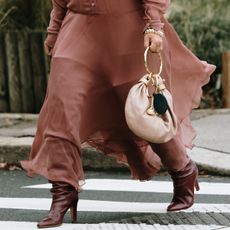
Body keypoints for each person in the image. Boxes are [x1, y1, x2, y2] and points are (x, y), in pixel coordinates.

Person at [21, 0, 216, 228]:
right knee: (61, 110)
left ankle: (182, 169)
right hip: (76, 31)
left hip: (129, 30)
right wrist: (54, 30)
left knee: (145, 113)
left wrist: (154, 24)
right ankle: (62, 192)